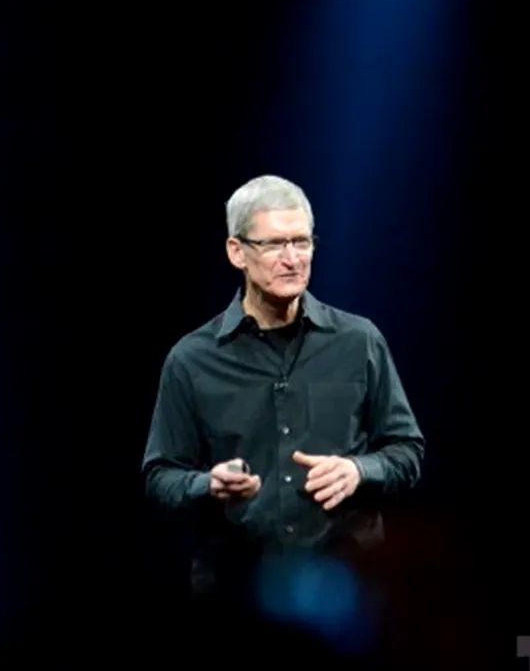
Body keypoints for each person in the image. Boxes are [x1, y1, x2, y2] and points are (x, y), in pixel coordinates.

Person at [141, 174, 425, 622]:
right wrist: (208, 484)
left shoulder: (359, 342)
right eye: (275, 244)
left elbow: (407, 451)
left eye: (301, 242)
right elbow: (160, 477)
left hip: (346, 592)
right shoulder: (191, 360)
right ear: (237, 251)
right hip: (236, 595)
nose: (292, 259)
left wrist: (359, 470)